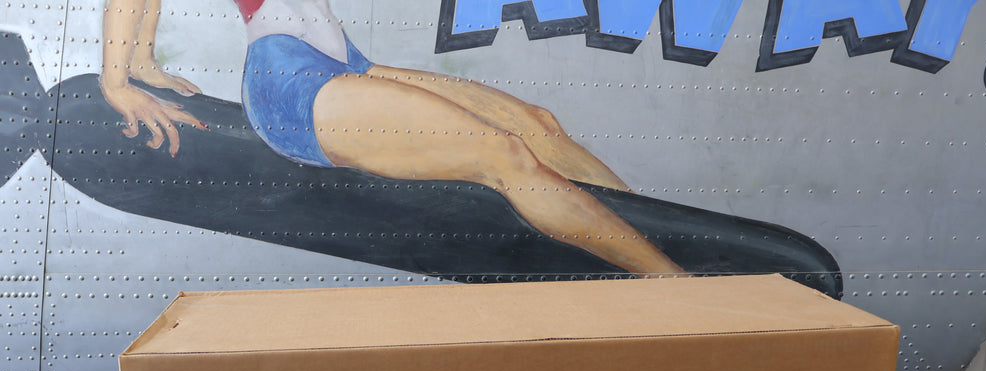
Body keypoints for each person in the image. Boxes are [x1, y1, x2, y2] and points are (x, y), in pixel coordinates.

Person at [100, 0, 687, 275]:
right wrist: (120, 82)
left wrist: (146, 62)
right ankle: (672, 286)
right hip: (292, 85)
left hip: (346, 64)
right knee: (503, 154)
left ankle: (673, 239)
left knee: (536, 124)